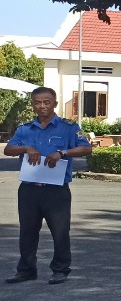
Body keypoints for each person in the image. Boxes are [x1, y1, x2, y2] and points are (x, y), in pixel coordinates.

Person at [4, 87, 93, 285]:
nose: (42, 106)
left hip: (56, 190)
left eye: (47, 102)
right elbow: (8, 149)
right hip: (29, 189)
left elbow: (86, 148)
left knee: (60, 232)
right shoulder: (25, 129)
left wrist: (63, 153)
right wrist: (26, 148)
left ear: (55, 104)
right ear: (33, 105)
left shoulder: (68, 127)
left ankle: (60, 269)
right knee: (27, 231)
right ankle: (26, 270)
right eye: (38, 102)